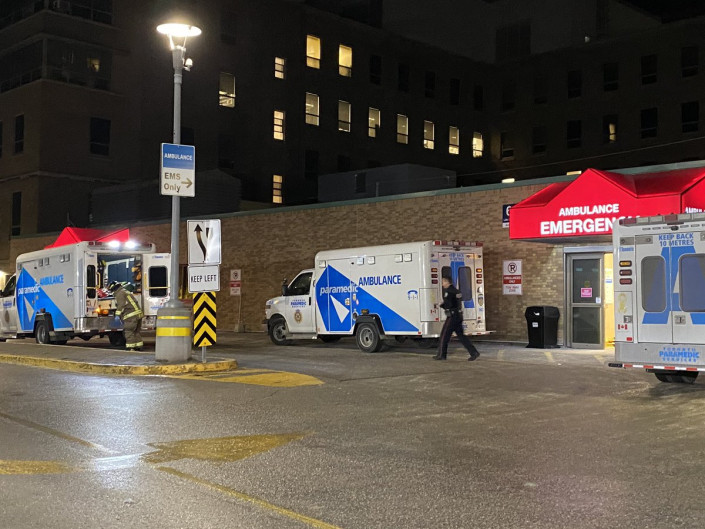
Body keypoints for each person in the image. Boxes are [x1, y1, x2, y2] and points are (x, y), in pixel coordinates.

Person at [434, 276, 480, 361]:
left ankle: (442, 355)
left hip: (452, 316)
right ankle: (474, 352)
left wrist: (441, 305)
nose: (442, 284)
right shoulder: (457, 291)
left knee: (444, 335)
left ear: (447, 282)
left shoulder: (448, 292)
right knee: (461, 336)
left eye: (443, 282)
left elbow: (449, 304)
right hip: (458, 315)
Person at [109, 281, 144, 351]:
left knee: (129, 331)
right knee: (136, 332)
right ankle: (138, 346)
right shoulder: (125, 291)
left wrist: (117, 315)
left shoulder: (120, 293)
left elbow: (121, 305)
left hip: (130, 315)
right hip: (138, 314)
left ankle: (131, 347)